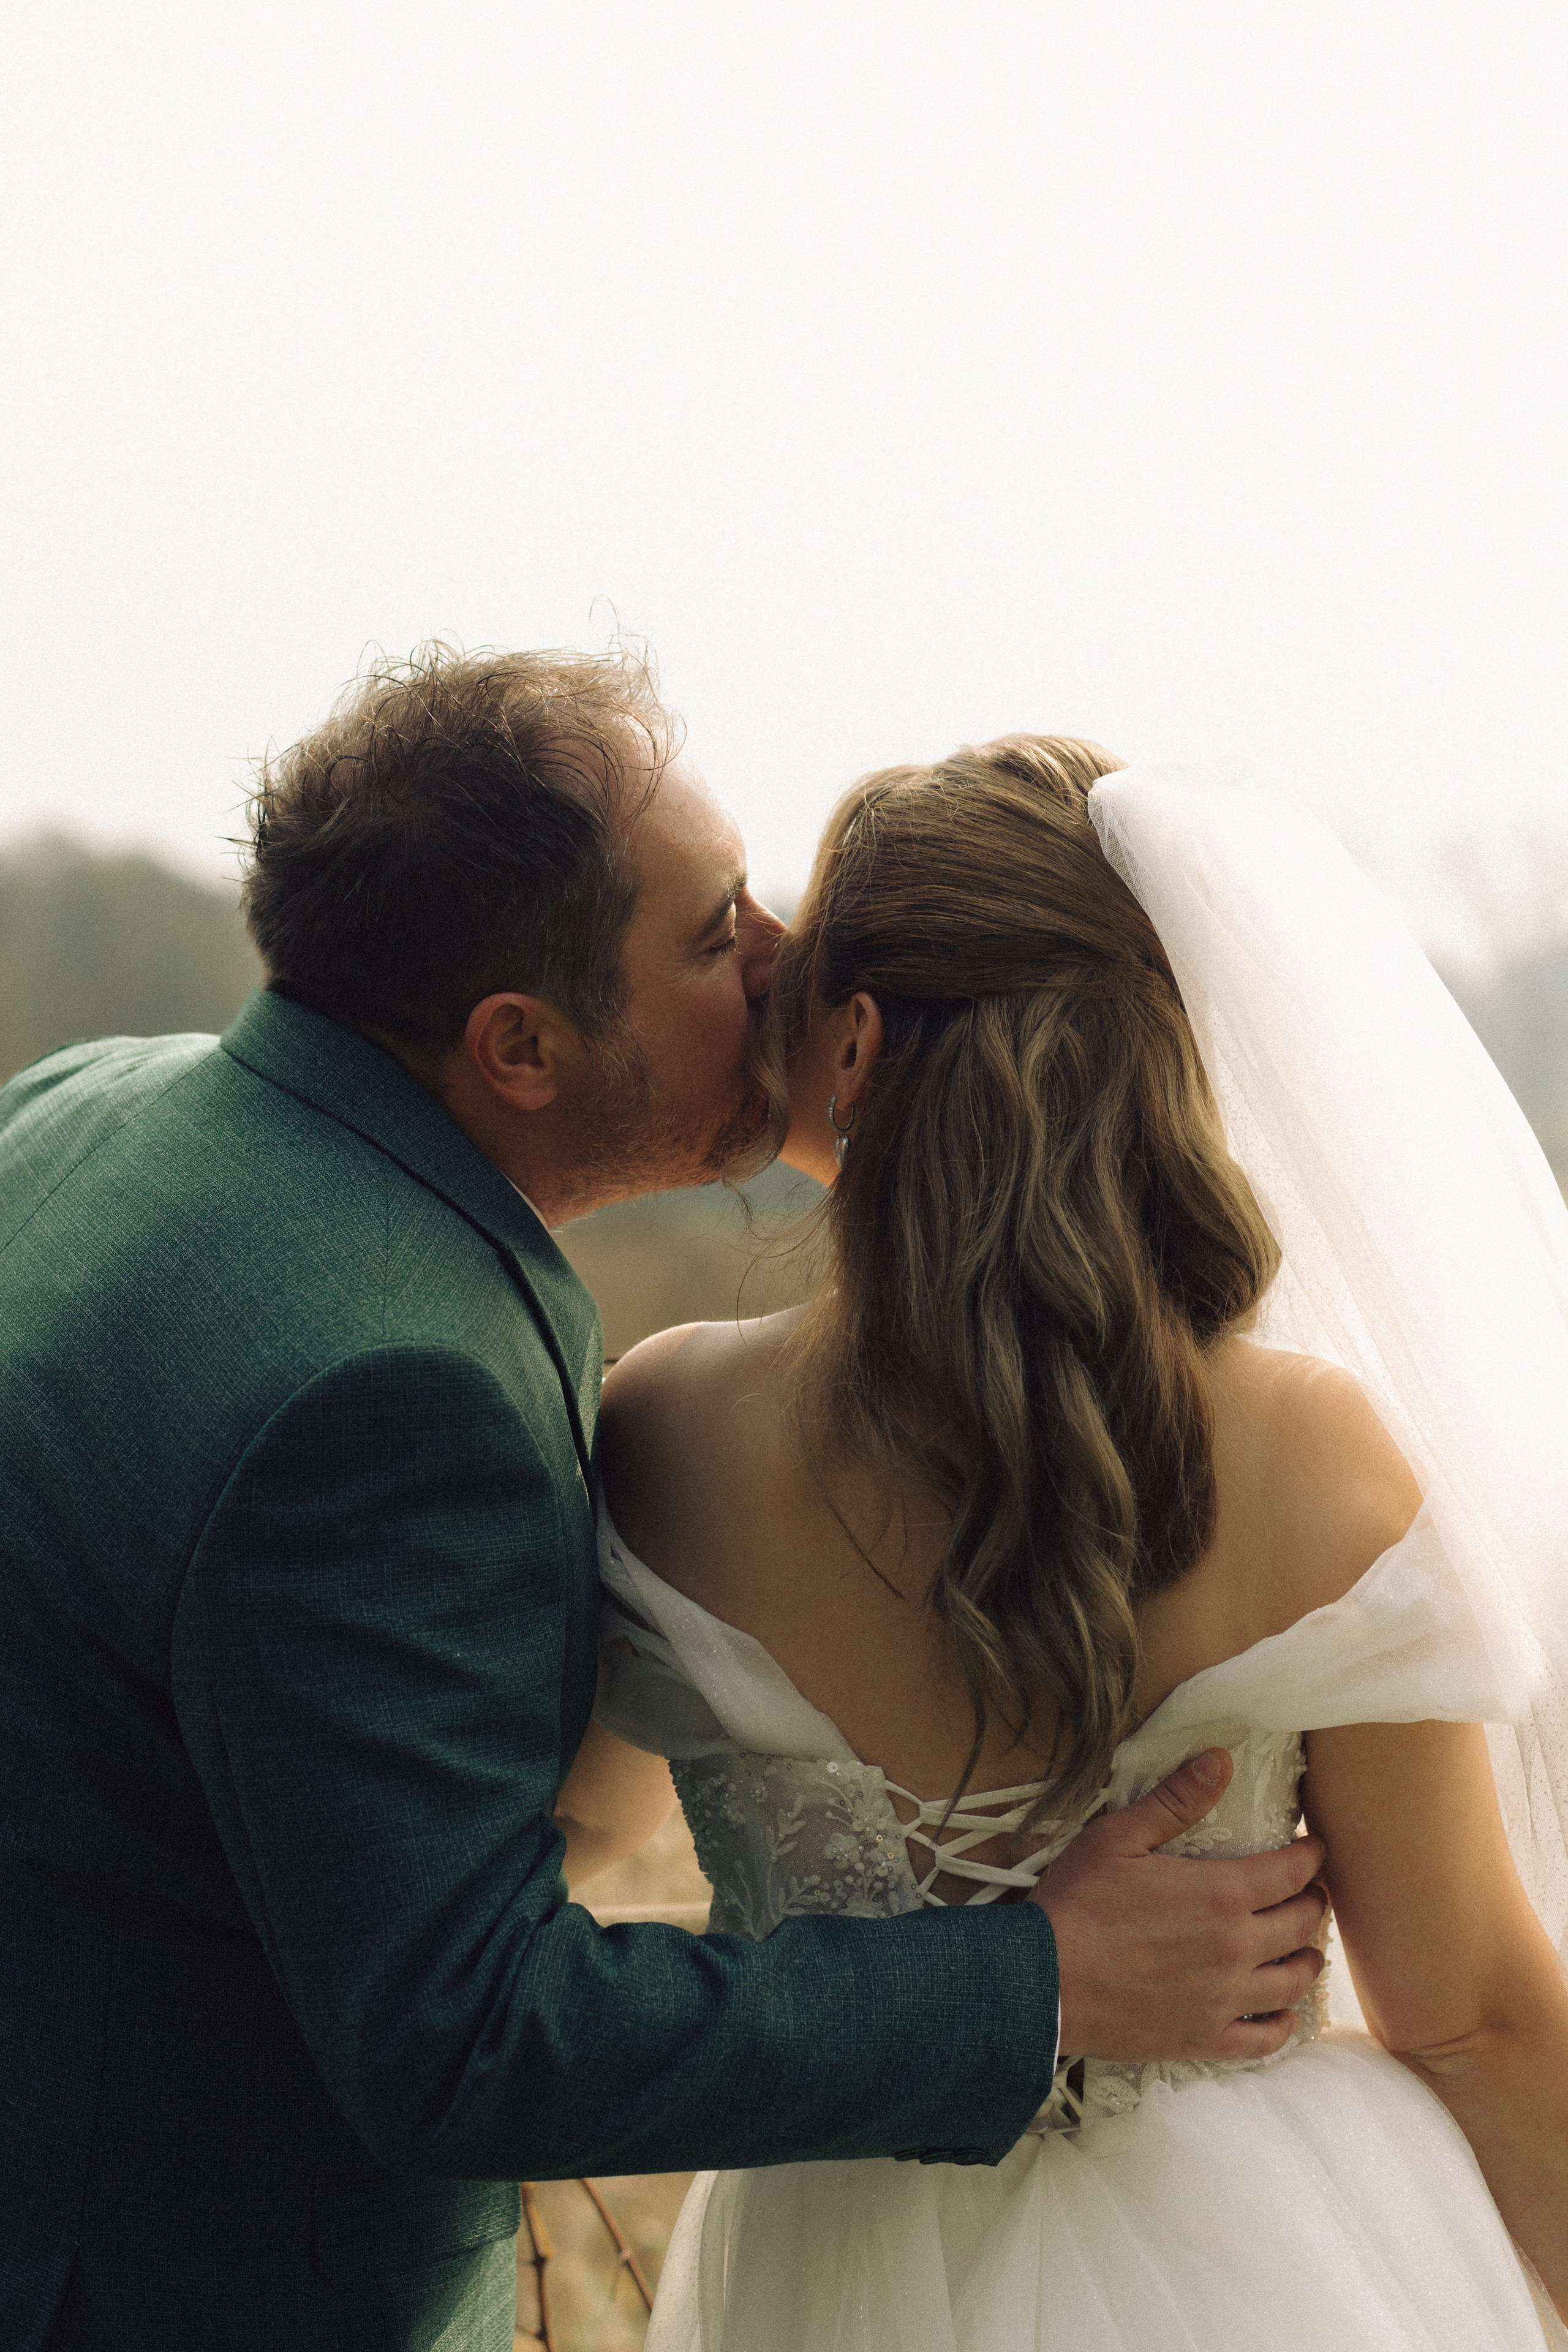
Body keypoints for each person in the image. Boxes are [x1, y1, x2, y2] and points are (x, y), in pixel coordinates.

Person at [0, 652, 1327, 2352]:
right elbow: (467, 2036)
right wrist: (1044, 1977)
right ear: (522, 1047)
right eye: (712, 935)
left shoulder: (90, 1111)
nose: (786, 959)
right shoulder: (390, 1385)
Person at [576, 735, 1568, 2348]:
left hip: (817, 2267)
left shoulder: (666, 1430)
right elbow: (1467, 2016)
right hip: (1275, 2271)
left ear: (862, 1046)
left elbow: (554, 1848)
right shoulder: (1306, 1460)